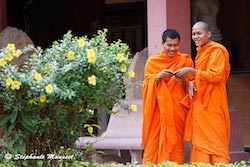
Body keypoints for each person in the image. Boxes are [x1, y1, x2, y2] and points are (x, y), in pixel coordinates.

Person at [175, 21, 231, 165]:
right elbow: (203, 77)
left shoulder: (217, 50)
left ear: (209, 34)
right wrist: (192, 81)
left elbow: (215, 76)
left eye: (199, 33)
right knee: (200, 142)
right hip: (201, 102)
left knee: (216, 139)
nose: (195, 36)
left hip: (214, 102)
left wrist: (191, 71)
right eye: (193, 34)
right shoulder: (201, 52)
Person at [142, 29, 194, 164]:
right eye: (169, 45)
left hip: (177, 110)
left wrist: (183, 79)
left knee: (176, 143)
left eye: (176, 45)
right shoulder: (152, 62)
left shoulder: (185, 61)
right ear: (162, 43)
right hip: (158, 112)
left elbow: (192, 88)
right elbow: (146, 86)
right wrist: (158, 78)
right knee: (153, 145)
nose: (172, 49)